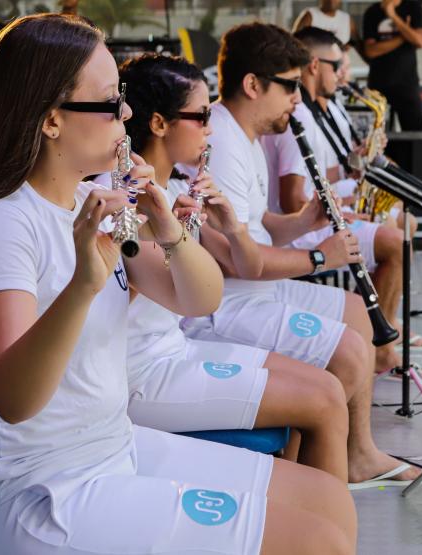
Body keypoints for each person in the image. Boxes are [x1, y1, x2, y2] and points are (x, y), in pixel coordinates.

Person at [0, 14, 356, 554]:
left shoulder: (90, 204)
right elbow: (15, 399)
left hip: (112, 446)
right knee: (316, 541)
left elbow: (198, 298)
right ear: (51, 121)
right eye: (113, 102)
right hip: (45, 493)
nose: (128, 113)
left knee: (328, 501)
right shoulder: (6, 222)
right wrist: (83, 287)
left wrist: (171, 230)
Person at [179, 21, 421, 487]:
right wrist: (320, 257)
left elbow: (260, 223)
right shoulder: (223, 142)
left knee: (356, 313)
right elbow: (234, 258)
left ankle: (354, 451)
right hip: (225, 302)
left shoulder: (243, 137)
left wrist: (305, 222)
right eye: (290, 86)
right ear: (253, 85)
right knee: (351, 352)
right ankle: (312, 466)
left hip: (252, 286)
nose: (298, 97)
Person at [118, 53, 350, 480]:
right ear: (158, 124)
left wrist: (231, 226)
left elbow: (243, 260)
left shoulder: (171, 187)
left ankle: (302, 500)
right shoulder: (129, 199)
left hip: (174, 349)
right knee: (325, 402)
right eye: (202, 116)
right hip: (143, 371)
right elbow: (193, 297)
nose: (210, 128)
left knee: (327, 386)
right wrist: (175, 233)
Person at [269, 26, 422, 362]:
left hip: (317, 212)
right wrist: (341, 207)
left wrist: (359, 163)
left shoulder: (324, 109)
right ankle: (382, 346)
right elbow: (292, 199)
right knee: (394, 242)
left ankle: (382, 316)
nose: (345, 74)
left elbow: (327, 171)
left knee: (404, 225)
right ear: (314, 65)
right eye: (337, 65)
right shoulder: (298, 116)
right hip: (297, 227)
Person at [362, 0, 422, 131]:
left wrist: (393, 15)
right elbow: (371, 51)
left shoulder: (414, 7)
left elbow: (420, 41)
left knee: (414, 133)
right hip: (378, 85)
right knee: (377, 134)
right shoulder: (372, 12)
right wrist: (404, 37)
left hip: (407, 83)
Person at [292, 0, 358, 50]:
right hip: (316, 62)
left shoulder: (346, 18)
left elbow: (356, 41)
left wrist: (348, 46)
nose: (331, 0)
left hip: (343, 63)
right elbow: (294, 41)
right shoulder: (309, 15)